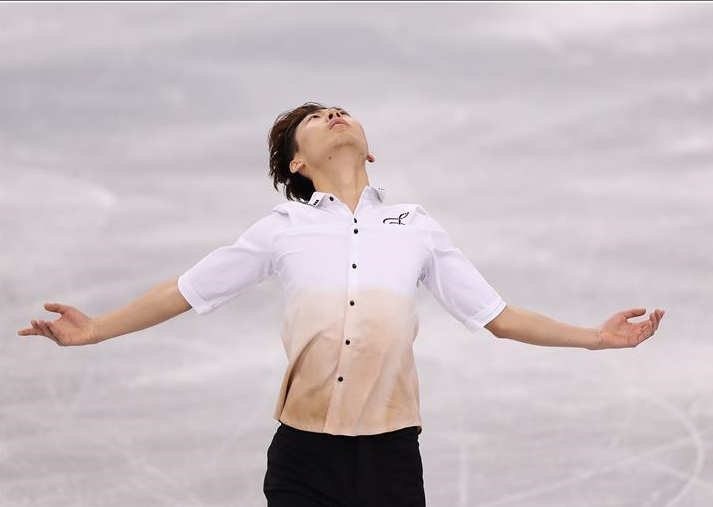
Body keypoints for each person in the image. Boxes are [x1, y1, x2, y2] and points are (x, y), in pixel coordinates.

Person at [18, 101, 666, 506]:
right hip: (303, 452)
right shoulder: (281, 229)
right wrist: (96, 328)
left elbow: (497, 316)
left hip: (390, 453)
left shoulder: (415, 226)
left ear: (368, 147)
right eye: (315, 118)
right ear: (298, 163)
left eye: (341, 111)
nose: (334, 115)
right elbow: (186, 290)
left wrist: (595, 336)